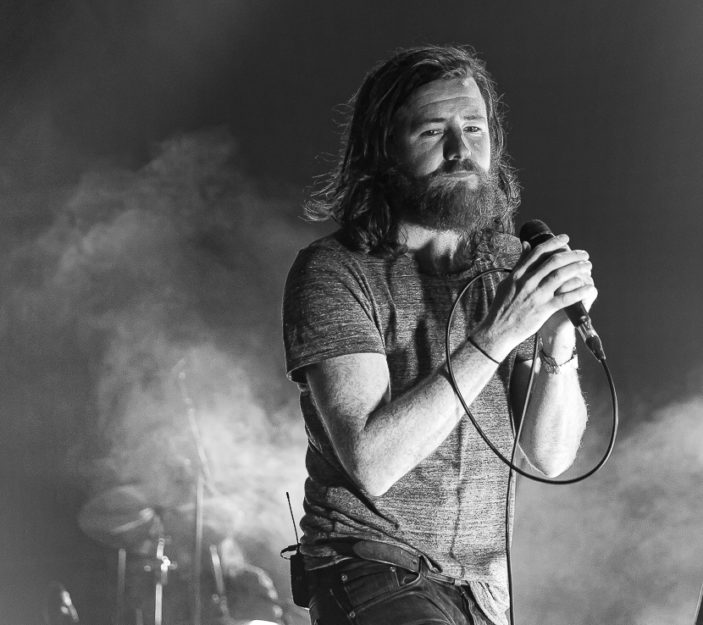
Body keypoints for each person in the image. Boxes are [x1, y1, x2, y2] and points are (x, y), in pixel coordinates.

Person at [282, 45, 595, 625]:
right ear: (384, 149)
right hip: (372, 567)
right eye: (433, 131)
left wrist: (557, 341)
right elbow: (372, 463)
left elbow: (551, 456)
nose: (460, 150)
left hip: (483, 589)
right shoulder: (336, 270)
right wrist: (499, 332)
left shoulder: (508, 265)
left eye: (474, 128)